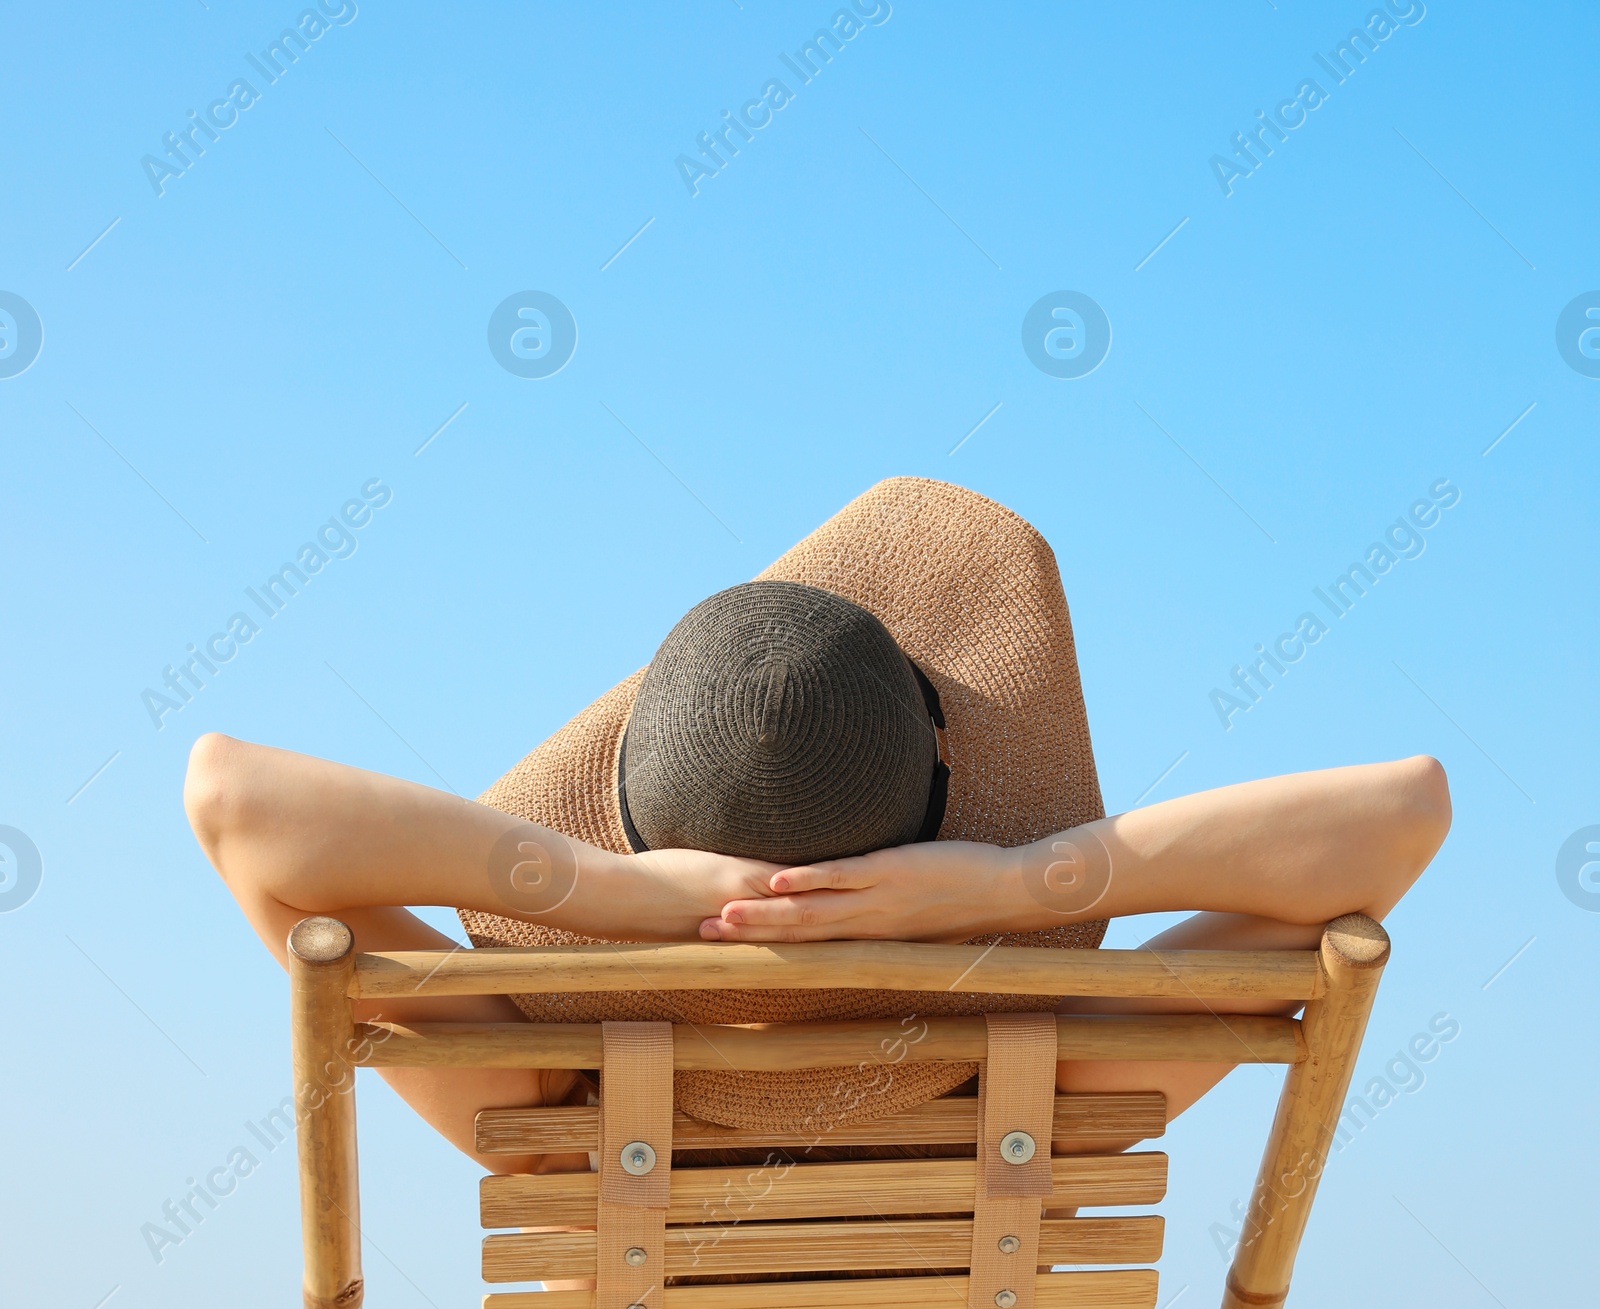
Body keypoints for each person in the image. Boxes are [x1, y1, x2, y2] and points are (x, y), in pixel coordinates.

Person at [185, 478, 1449, 1171]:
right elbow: (1400, 818)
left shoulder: (552, 1114)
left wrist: (605, 893)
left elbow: (232, 803)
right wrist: (1011, 888)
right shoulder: (1055, 1097)